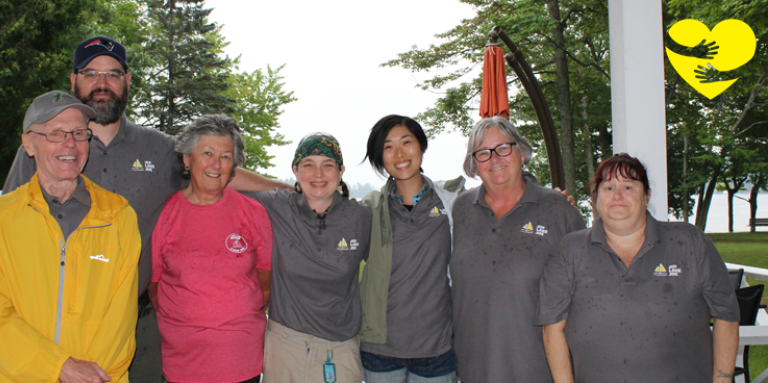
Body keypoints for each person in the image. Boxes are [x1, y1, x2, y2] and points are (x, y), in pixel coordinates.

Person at [2, 36, 285, 382]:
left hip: (141, 323)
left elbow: (214, 169)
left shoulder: (160, 148)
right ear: (73, 79)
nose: (102, 84)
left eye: (114, 74)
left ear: (127, 81)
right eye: (91, 73)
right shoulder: (44, 152)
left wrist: (294, 188)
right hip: (49, 317)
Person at [536, 153, 740, 383]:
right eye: (609, 187)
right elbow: (552, 329)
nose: (618, 195)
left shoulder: (689, 242)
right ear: (595, 197)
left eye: (629, 186)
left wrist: (722, 380)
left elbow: (727, 314)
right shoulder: (569, 250)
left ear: (646, 195)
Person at [0, 90, 140, 382]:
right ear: (28, 144)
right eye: (55, 133)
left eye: (79, 132)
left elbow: (122, 320)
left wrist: (88, 377)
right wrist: (59, 367)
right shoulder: (4, 218)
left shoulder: (118, 217)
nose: (70, 143)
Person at [449, 116, 585, 382]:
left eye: (503, 148)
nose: (494, 159)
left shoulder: (557, 208)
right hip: (472, 368)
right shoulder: (461, 208)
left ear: (521, 153)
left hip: (539, 368)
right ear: (474, 165)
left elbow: (585, 291)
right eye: (483, 153)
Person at [149, 115, 272, 383]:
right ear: (186, 159)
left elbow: (265, 283)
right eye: (207, 153)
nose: (216, 165)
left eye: (226, 156)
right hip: (183, 363)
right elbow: (154, 286)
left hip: (242, 360)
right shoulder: (165, 214)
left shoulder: (252, 213)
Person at [241, 133, 372, 383]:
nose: (318, 174)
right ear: (295, 169)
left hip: (341, 350)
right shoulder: (277, 206)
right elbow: (225, 175)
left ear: (341, 170)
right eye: (308, 165)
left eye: (328, 165)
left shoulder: (361, 216)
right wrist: (280, 187)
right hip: (284, 346)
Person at [359, 115, 463, 383]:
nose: (400, 153)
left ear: (421, 147)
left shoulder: (453, 203)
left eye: (407, 142)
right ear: (379, 158)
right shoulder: (368, 209)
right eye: (388, 147)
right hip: (380, 349)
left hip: (436, 348)